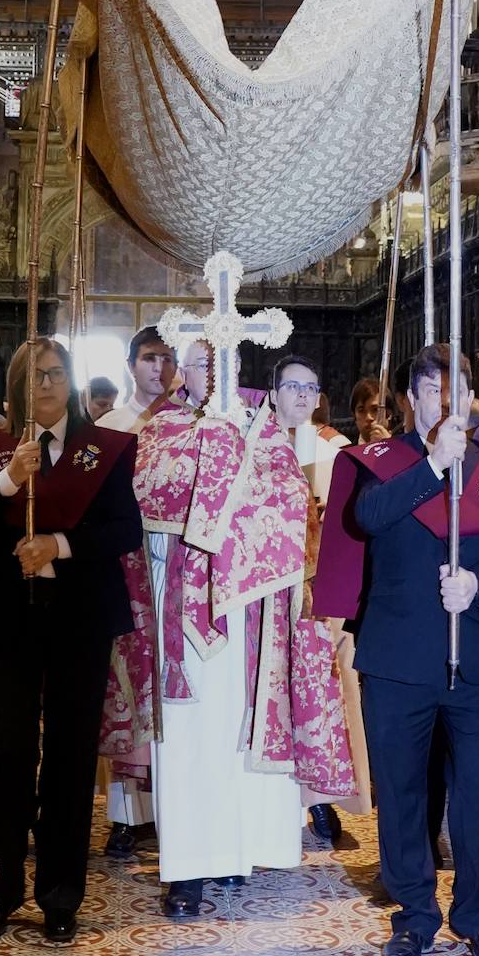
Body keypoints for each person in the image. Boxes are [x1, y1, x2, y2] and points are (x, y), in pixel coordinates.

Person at [100, 346, 352, 921]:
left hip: (248, 620)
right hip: (182, 617)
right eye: (194, 361)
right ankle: (187, 868)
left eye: (217, 360)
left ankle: (238, 850)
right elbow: (147, 499)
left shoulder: (263, 432)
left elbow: (289, 510)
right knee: (188, 745)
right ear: (176, 372)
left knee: (238, 738)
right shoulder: (161, 429)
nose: (207, 372)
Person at [340, 343, 479, 956]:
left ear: (469, 397)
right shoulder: (383, 461)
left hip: (476, 655)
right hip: (397, 657)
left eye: (455, 388)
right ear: (412, 400)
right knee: (402, 792)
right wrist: (432, 463)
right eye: (430, 389)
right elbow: (366, 519)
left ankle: (476, 917)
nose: (444, 400)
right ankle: (414, 916)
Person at [0, 338, 142, 942]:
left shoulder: (104, 450)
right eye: (35, 377)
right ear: (17, 387)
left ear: (72, 381)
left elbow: (124, 530)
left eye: (58, 374)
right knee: (9, 749)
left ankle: (61, 891)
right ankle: (6, 880)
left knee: (70, 751)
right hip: (10, 620)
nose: (48, 385)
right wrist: (6, 483)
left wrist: (58, 545)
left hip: (80, 618)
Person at [272, 353, 370, 844]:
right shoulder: (257, 447)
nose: (303, 397)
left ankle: (323, 800)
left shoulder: (336, 454)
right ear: (273, 394)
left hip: (317, 590)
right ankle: (275, 803)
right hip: (268, 591)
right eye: (293, 387)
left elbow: (353, 522)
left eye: (311, 388)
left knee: (323, 697)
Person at [96, 326, 177, 855]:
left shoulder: (186, 428)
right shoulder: (107, 428)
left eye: (169, 360)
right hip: (125, 569)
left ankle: (172, 808)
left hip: (173, 572)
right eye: (151, 358)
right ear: (131, 365)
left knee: (170, 690)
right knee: (124, 687)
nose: (161, 369)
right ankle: (125, 815)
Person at [351, 377, 391, 444]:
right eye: (361, 410)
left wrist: (389, 445)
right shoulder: (346, 453)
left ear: (389, 413)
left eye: (375, 410)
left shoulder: (404, 448)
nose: (368, 417)